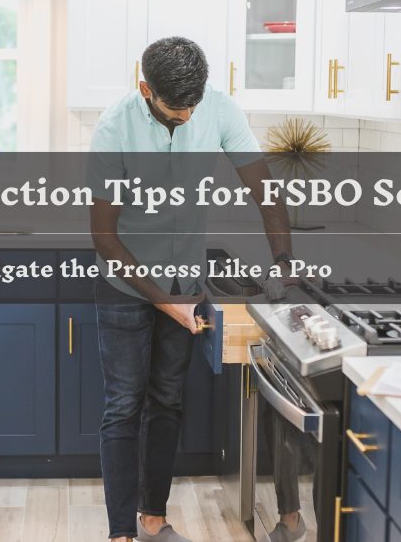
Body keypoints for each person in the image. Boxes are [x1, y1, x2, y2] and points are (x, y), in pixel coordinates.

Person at [89, 36, 297, 542]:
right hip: (127, 284)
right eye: (175, 108)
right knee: (124, 404)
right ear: (145, 89)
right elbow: (104, 236)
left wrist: (286, 263)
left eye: (193, 106)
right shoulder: (113, 128)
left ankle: (154, 518)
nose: (186, 116)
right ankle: (121, 532)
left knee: (166, 400)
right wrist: (165, 301)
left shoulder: (218, 109)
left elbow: (265, 191)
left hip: (186, 276)